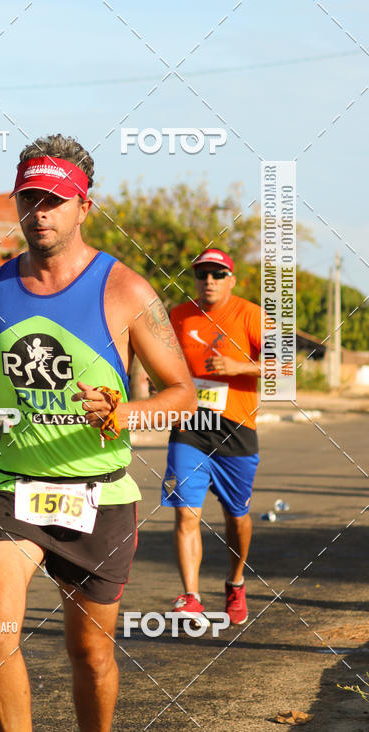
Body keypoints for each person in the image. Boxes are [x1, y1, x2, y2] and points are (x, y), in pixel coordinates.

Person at [0, 134, 196, 732]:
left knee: (90, 653)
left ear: (85, 205)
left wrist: (124, 413)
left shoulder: (125, 291)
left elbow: (182, 395)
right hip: (4, 486)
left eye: (54, 201)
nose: (40, 213)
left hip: (98, 493)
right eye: (29, 199)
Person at [162, 248, 262, 627]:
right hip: (190, 427)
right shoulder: (179, 315)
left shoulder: (250, 314)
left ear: (232, 280)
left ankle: (236, 582)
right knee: (187, 512)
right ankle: (191, 596)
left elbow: (285, 367)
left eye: (218, 275)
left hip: (237, 428)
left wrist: (239, 366)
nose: (209, 281)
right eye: (203, 274)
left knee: (237, 517)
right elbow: (164, 361)